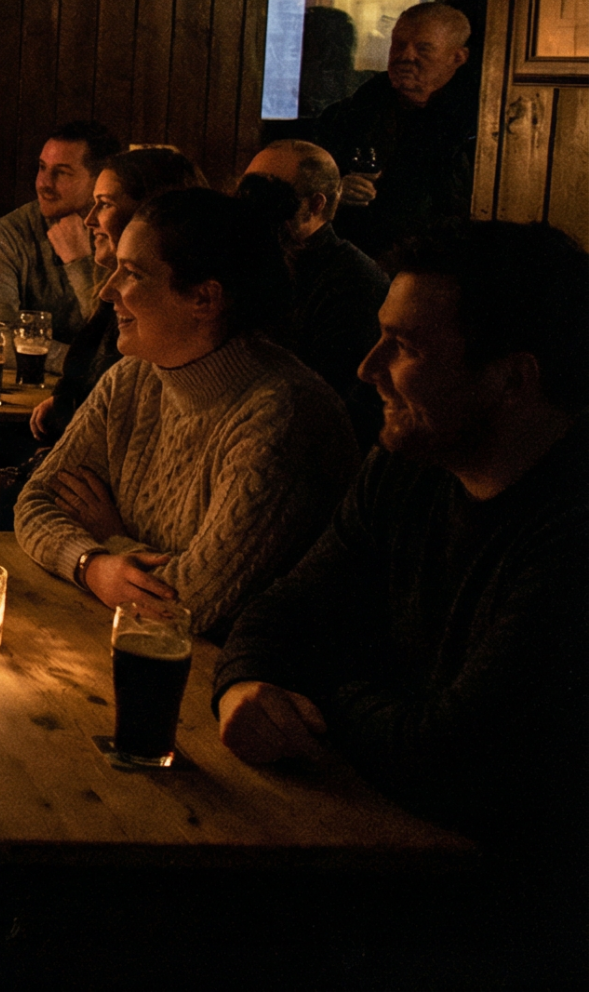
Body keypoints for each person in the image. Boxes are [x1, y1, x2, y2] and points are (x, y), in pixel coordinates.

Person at [216, 221, 589, 978]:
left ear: (514, 379)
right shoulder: (410, 465)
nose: (366, 367)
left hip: (505, 924)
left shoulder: (571, 530)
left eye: (406, 347)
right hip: (378, 857)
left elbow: (449, 755)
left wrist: (319, 694)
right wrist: (246, 686)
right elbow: (277, 612)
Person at [13, 189, 356, 635]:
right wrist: (93, 564)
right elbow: (35, 502)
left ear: (205, 300)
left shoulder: (280, 416)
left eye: (131, 273)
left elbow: (189, 604)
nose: (106, 290)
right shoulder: (133, 378)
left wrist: (111, 536)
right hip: (120, 640)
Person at [32, 147, 206, 445]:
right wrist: (66, 402)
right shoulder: (110, 297)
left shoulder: (161, 315)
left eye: (104, 204)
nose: (89, 220)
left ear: (150, 211)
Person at [240, 139, 387, 442]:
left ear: (315, 205)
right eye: (247, 189)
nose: (250, 204)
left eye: (269, 192)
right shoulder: (245, 259)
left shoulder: (353, 282)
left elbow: (328, 392)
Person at [314, 2, 479, 258]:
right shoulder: (348, 115)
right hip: (353, 259)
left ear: (457, 57)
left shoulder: (479, 126)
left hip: (435, 263)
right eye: (399, 45)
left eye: (423, 48)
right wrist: (336, 191)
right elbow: (308, 186)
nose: (406, 56)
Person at [0, 119, 121, 367]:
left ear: (99, 179)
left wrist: (80, 264)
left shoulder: (122, 231)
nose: (44, 183)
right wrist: (84, 363)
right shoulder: (8, 234)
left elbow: (116, 339)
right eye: (42, 168)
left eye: (61, 173)